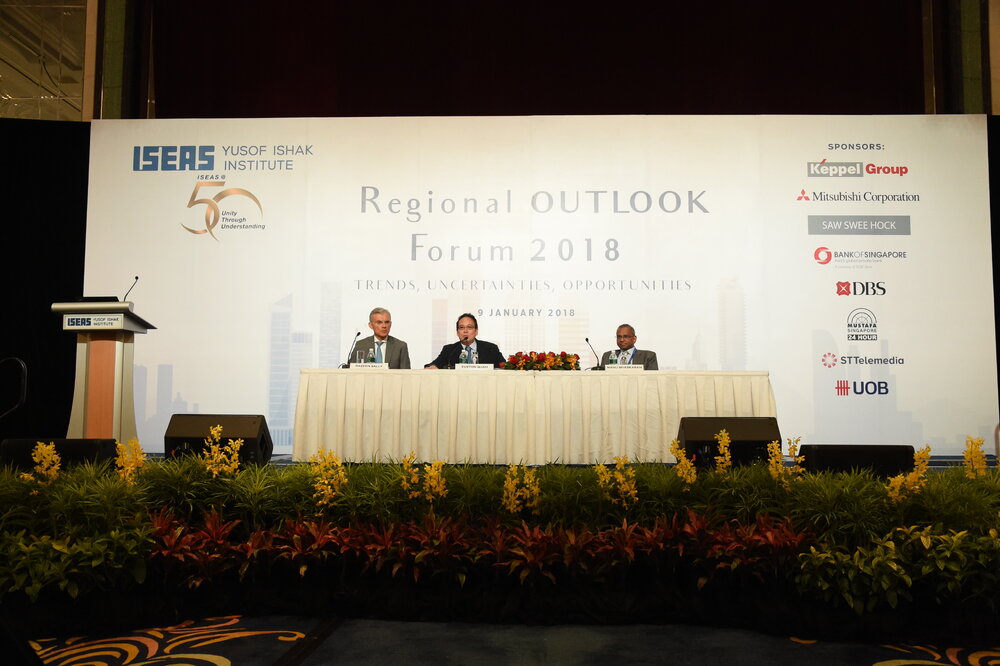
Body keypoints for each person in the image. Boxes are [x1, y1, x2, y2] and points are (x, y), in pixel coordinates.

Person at [425, 313, 504, 368]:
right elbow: (433, 365)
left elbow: (505, 366)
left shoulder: (491, 348)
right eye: (461, 328)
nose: (465, 331)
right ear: (457, 332)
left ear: (476, 331)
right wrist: (432, 367)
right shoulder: (449, 350)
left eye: (469, 327)